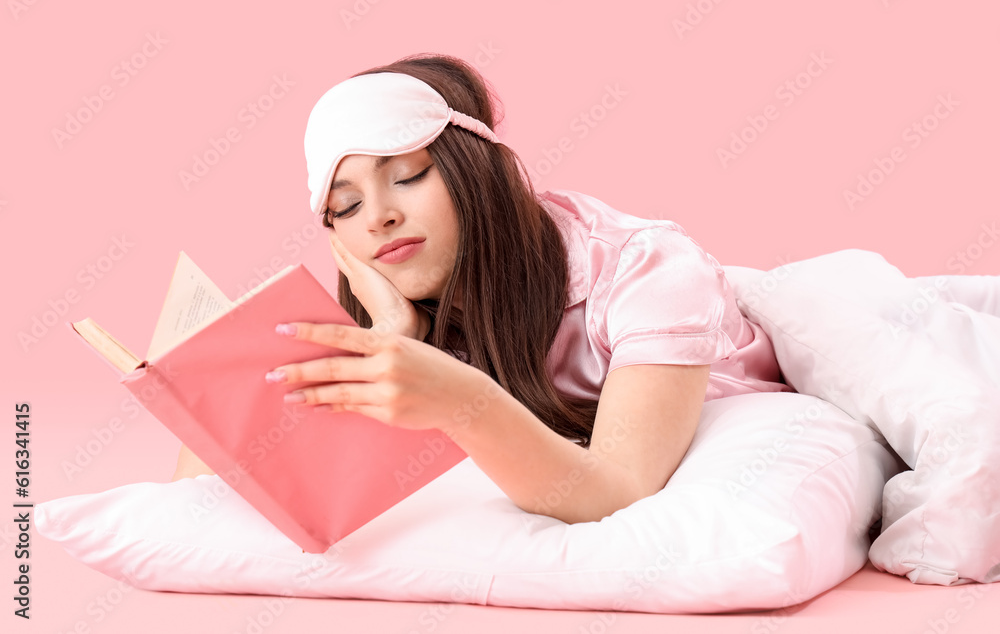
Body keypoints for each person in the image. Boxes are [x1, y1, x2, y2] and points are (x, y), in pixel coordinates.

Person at [172, 53, 793, 525]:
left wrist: (460, 399)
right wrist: (393, 337)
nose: (378, 217)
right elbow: (197, 503)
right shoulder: (413, 322)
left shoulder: (648, 269)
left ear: (476, 170)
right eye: (346, 205)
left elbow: (618, 493)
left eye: (408, 176)